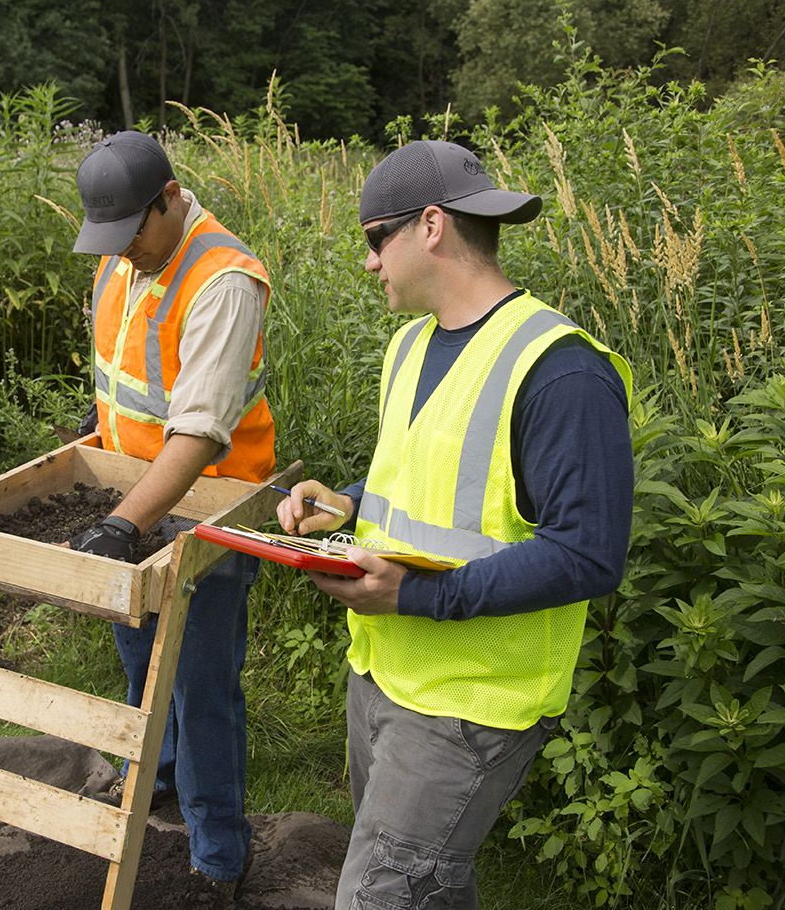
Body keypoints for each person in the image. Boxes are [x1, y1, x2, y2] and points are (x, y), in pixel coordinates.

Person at [275, 140, 633, 909]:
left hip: (470, 703)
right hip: (382, 675)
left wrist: (414, 595)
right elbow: (417, 477)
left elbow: (589, 554)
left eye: (376, 238)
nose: (370, 262)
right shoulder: (408, 346)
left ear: (431, 226)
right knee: (428, 889)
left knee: (377, 898)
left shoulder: (561, 370)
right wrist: (345, 503)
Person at [67, 131, 274, 900]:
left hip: (209, 512)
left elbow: (196, 434)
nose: (123, 254)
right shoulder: (124, 256)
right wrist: (97, 467)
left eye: (134, 234)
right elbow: (124, 383)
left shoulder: (224, 278)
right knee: (136, 653)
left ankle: (218, 852)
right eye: (111, 240)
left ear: (172, 197)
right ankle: (149, 775)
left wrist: (123, 525)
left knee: (198, 680)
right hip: (131, 494)